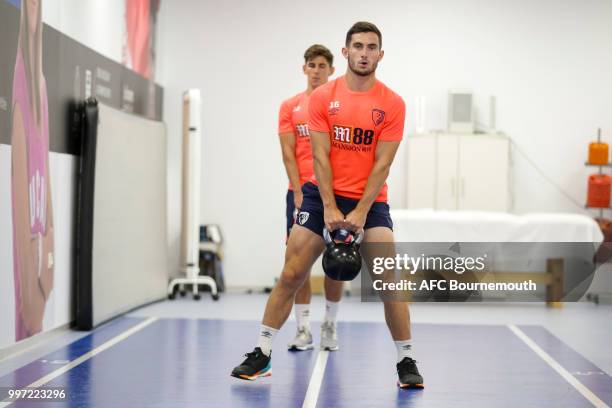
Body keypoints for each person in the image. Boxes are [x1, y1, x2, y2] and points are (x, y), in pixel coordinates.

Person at [232, 21, 424, 389]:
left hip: (371, 201)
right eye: (358, 46)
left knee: (388, 281)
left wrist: (361, 213)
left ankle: (406, 358)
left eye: (371, 47)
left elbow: (383, 164)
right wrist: (331, 208)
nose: (364, 53)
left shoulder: (393, 104)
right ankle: (262, 351)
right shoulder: (321, 99)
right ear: (346, 52)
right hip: (323, 196)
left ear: (380, 55)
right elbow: (319, 157)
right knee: (291, 273)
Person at [277, 44, 345, 352]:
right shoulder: (290, 106)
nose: (316, 70)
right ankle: (303, 329)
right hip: (301, 195)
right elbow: (288, 154)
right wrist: (298, 193)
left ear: (332, 70)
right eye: (311, 65)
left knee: (338, 261)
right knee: (297, 264)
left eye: (322, 65)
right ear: (304, 69)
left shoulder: (340, 106)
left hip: (337, 194)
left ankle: (330, 324)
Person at [11, 0, 55, 341]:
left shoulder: (40, 85)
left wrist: (46, 262)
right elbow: (18, 197)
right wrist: (31, 267)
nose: (34, 10)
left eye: (38, 4)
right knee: (27, 327)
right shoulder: (20, 86)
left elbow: (48, 187)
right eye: (29, 4)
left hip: (41, 249)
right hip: (29, 253)